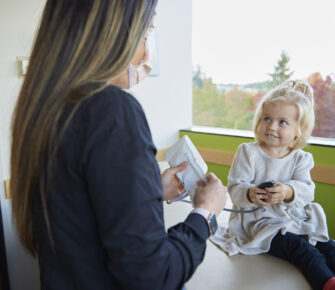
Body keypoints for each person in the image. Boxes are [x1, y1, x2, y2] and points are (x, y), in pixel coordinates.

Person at [10, 1, 227, 289]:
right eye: (146, 32)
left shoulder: (46, 109)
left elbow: (76, 207)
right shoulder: (111, 110)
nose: (147, 53)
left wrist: (149, 190)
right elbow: (153, 276)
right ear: (113, 33)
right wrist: (205, 213)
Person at [211, 80, 335, 290]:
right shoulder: (248, 153)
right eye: (266, 119)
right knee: (302, 249)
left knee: (327, 244)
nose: (271, 126)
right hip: (261, 223)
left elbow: (307, 191)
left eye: (282, 122)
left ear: (299, 130)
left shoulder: (300, 158)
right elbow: (235, 187)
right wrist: (250, 193)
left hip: (294, 217)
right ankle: (327, 283)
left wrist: (288, 191)